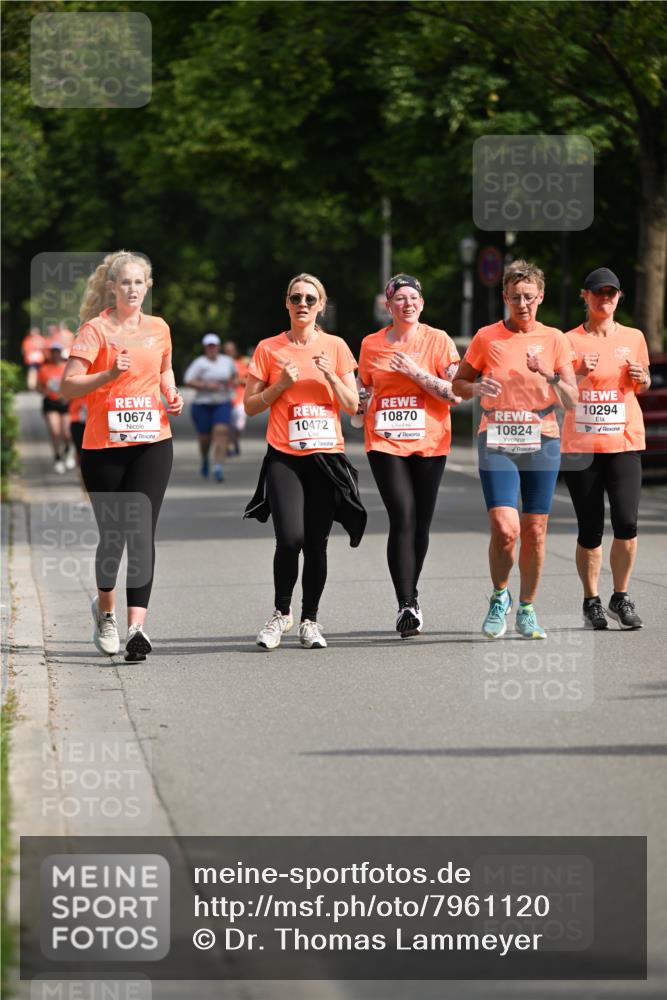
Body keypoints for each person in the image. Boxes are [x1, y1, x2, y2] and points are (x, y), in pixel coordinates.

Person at [61, 250, 184, 661]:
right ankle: (106, 613)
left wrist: (170, 391)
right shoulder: (95, 330)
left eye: (139, 282)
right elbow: (69, 386)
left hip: (153, 440)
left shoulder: (159, 328)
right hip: (104, 447)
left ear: (148, 286)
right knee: (113, 537)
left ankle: (137, 628)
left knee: (141, 533)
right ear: (112, 288)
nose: (133, 289)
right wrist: (110, 374)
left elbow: (164, 368)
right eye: (125, 282)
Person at [452, 260, 578, 640]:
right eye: (515, 296)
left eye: (529, 296)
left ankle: (526, 607)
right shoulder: (486, 337)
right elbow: (458, 385)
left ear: (540, 297)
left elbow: (572, 400)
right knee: (506, 530)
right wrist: (476, 389)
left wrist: (548, 373)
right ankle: (499, 597)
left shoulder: (556, 339)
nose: (522, 303)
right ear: (504, 296)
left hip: (542, 436)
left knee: (535, 531)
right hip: (498, 435)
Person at [243, 272, 363, 650]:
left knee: (316, 542)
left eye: (311, 299)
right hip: (284, 455)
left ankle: (310, 620)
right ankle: (281, 613)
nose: (303, 305)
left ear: (321, 305)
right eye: (296, 298)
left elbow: (353, 405)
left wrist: (330, 376)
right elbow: (249, 406)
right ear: (287, 303)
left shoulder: (337, 347)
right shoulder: (268, 349)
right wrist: (279, 385)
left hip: (326, 457)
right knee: (289, 537)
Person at [356, 273, 461, 637]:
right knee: (402, 514)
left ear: (422, 303)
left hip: (431, 442)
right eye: (399, 298)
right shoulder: (371, 344)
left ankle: (412, 597)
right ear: (388, 306)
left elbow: (455, 393)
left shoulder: (439, 340)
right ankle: (405, 603)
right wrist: (354, 400)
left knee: (421, 522)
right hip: (384, 442)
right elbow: (363, 390)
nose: (407, 303)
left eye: (413, 297)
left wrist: (416, 373)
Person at [560, 267, 651, 630]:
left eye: (611, 293)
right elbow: (558, 396)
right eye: (598, 293)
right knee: (590, 529)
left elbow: (639, 383)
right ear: (585, 296)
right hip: (582, 446)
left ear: (619, 298)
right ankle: (591, 600)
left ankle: (621, 595)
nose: (605, 299)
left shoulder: (634, 337)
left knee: (627, 521)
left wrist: (642, 379)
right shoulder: (567, 341)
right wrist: (579, 371)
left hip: (625, 440)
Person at [183, 333, 237, 481]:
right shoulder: (200, 363)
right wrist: (206, 385)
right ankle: (205, 457)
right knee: (205, 439)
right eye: (209, 346)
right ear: (205, 348)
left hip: (222, 402)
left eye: (214, 346)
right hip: (202, 404)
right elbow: (188, 380)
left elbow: (235, 377)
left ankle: (218, 467)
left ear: (218, 347)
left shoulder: (227, 361)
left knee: (221, 432)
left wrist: (233, 383)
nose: (211, 349)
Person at [37, 343, 74, 473]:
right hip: (51, 403)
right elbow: (39, 386)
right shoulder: (44, 369)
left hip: (65, 403)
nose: (55, 354)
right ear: (50, 354)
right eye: (53, 352)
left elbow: (73, 384)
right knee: (55, 431)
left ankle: (68, 450)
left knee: (67, 433)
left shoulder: (66, 367)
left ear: (61, 353)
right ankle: (57, 457)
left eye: (57, 352)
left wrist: (67, 396)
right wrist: (45, 391)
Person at [223, 340, 249, 456]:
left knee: (238, 425)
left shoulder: (241, 363)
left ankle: (235, 440)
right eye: (226, 350)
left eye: (231, 350)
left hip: (239, 399)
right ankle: (228, 446)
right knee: (227, 425)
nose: (229, 352)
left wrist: (239, 381)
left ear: (235, 351)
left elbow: (250, 380)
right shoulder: (220, 364)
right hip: (225, 399)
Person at [21, 326, 46, 391]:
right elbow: (24, 349)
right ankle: (32, 386)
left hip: (40, 360)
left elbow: (44, 348)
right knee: (32, 372)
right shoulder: (27, 340)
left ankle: (38, 386)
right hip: (31, 360)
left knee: (40, 373)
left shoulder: (41, 339)